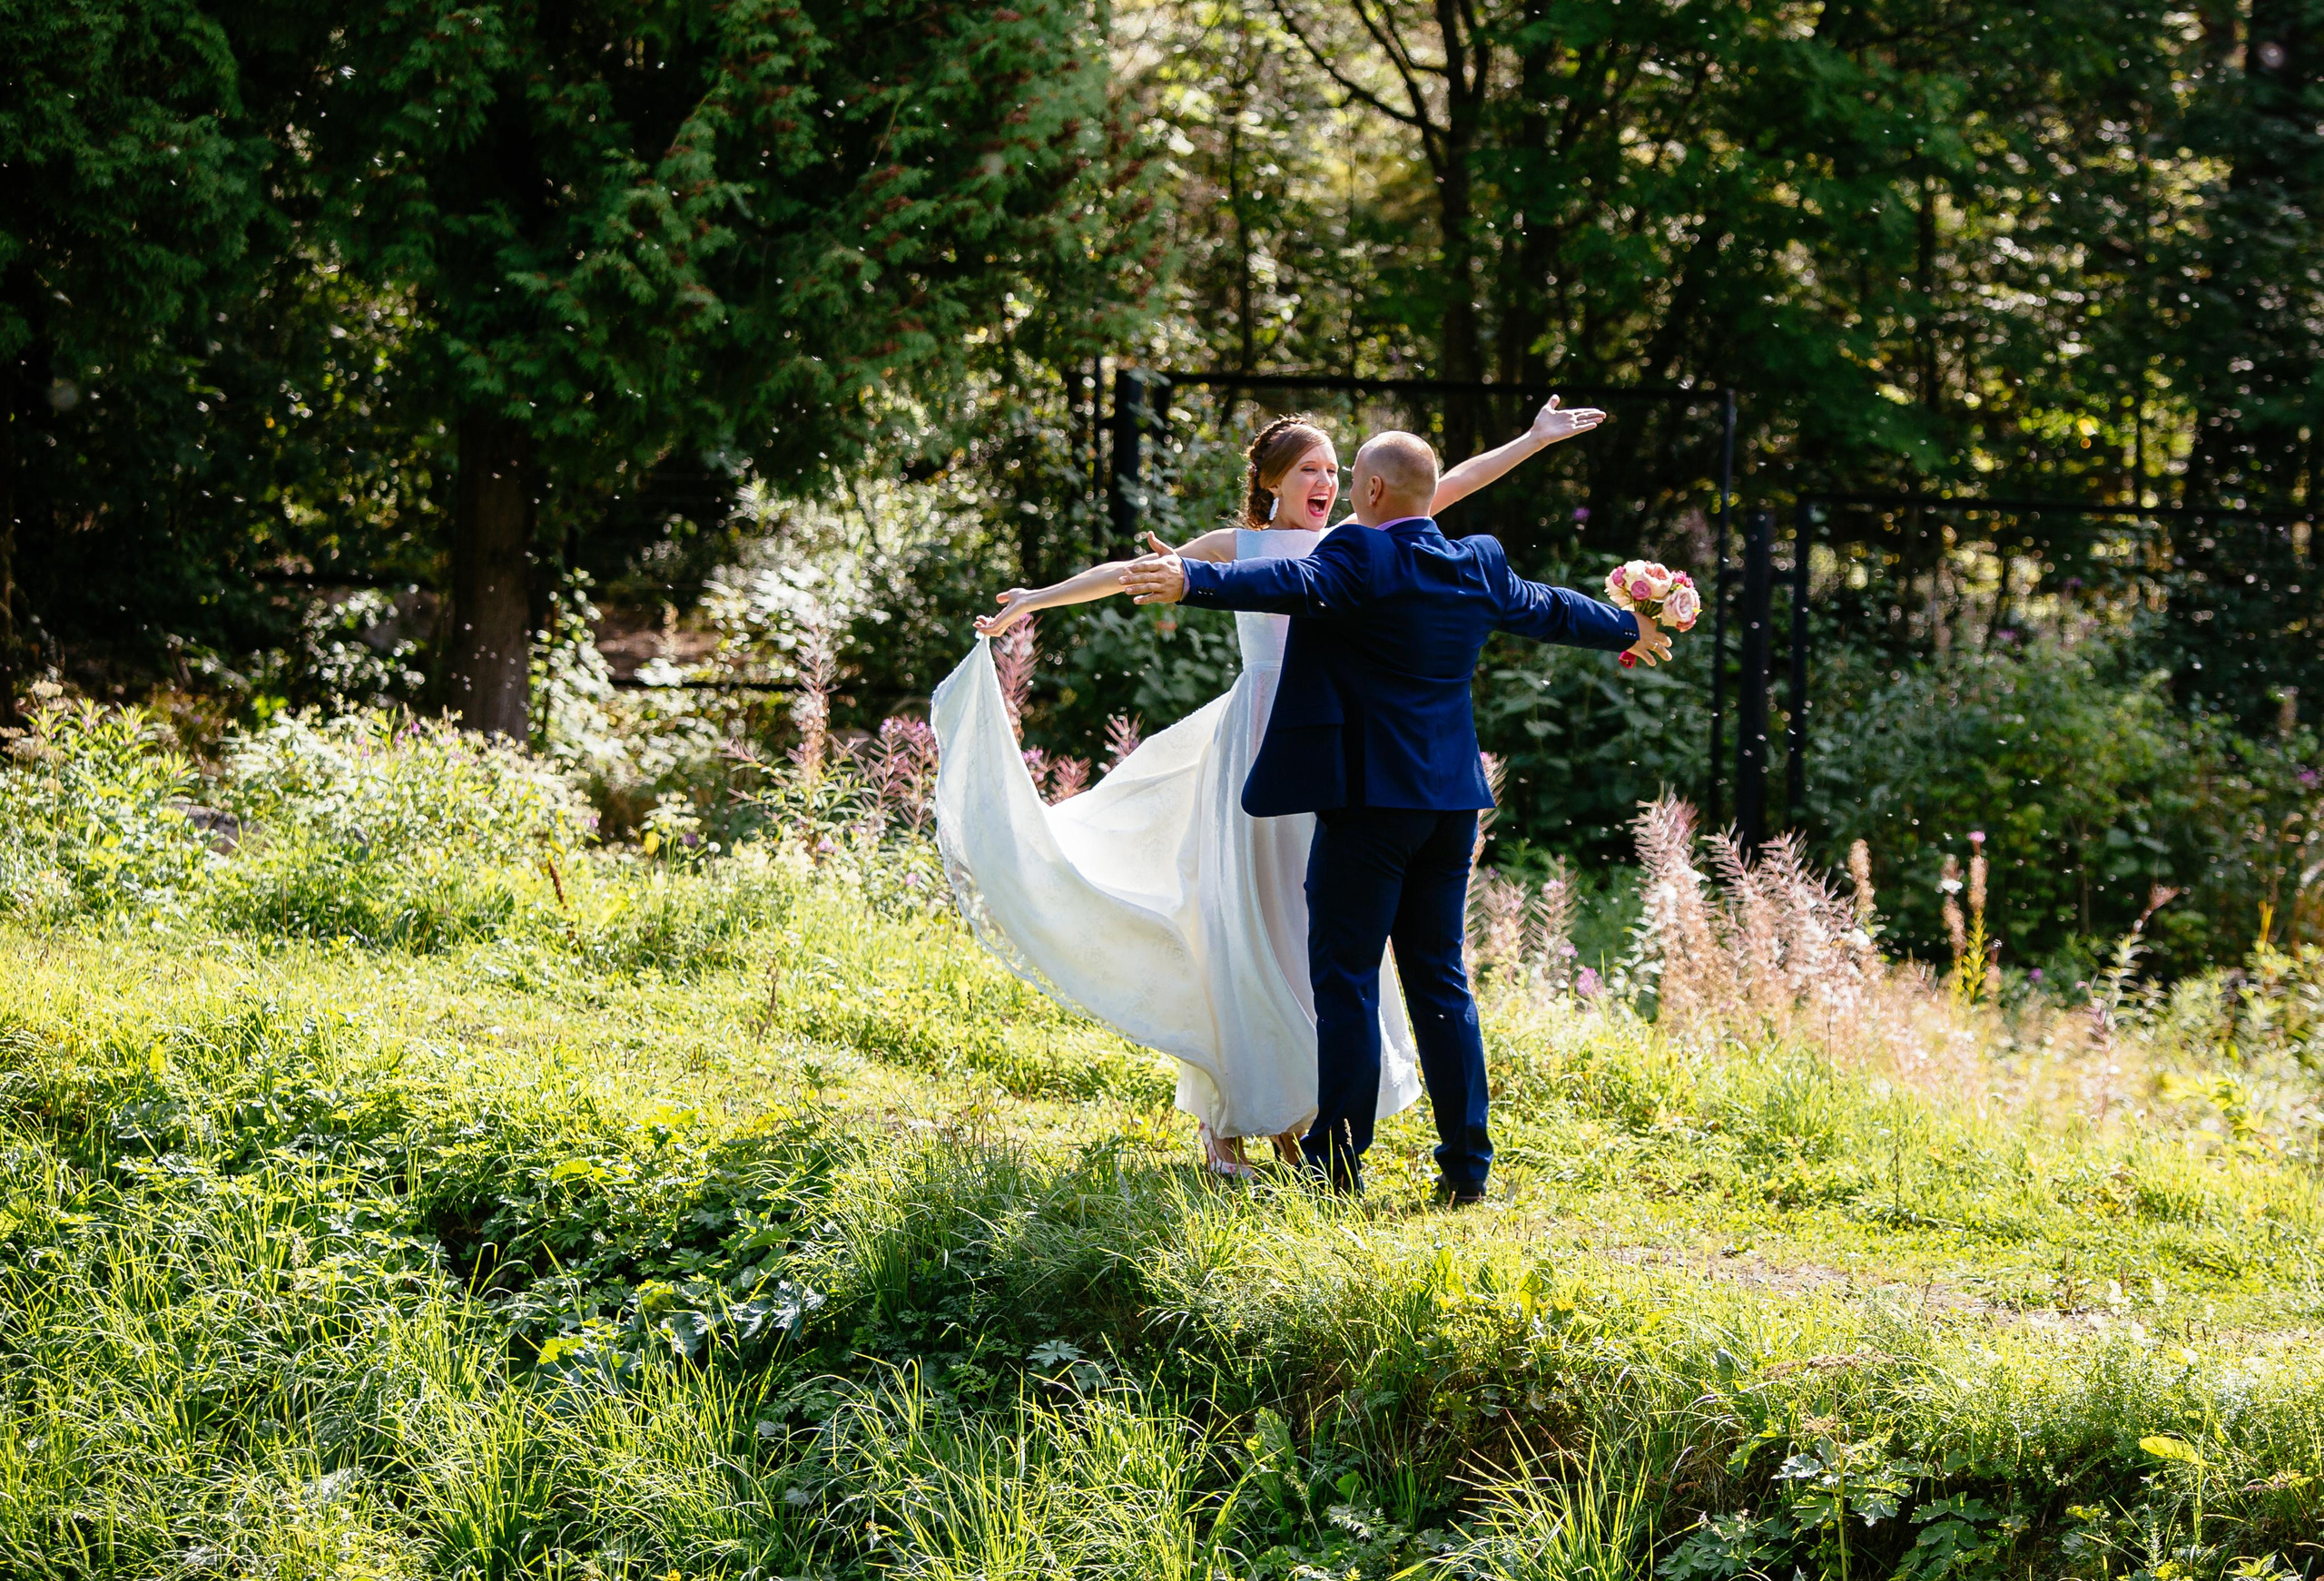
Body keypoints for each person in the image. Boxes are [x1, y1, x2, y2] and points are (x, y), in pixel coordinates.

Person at [929, 398, 1621, 1179]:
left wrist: (1529, 440)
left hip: (1345, 768)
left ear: (1363, 490)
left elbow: (1440, 482)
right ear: (1270, 481)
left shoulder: (1357, 542)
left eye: (1336, 468)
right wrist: (1037, 599)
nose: (1326, 481)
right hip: (1271, 750)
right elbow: (1142, 574)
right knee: (1259, 935)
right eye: (1310, 470)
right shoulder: (1281, 542)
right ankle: (1251, 1117)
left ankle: (1310, 1128)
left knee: (1324, 956)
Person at [1118, 429, 1671, 1200]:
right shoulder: (1478, 562)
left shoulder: (1360, 558)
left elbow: (1281, 582)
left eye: (1352, 485)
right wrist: (1625, 627)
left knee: (1346, 982)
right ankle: (1467, 1171)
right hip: (1451, 806)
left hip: (1370, 808)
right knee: (1441, 982)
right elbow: (1546, 608)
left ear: (1373, 493)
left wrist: (1193, 582)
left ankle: (1336, 1172)